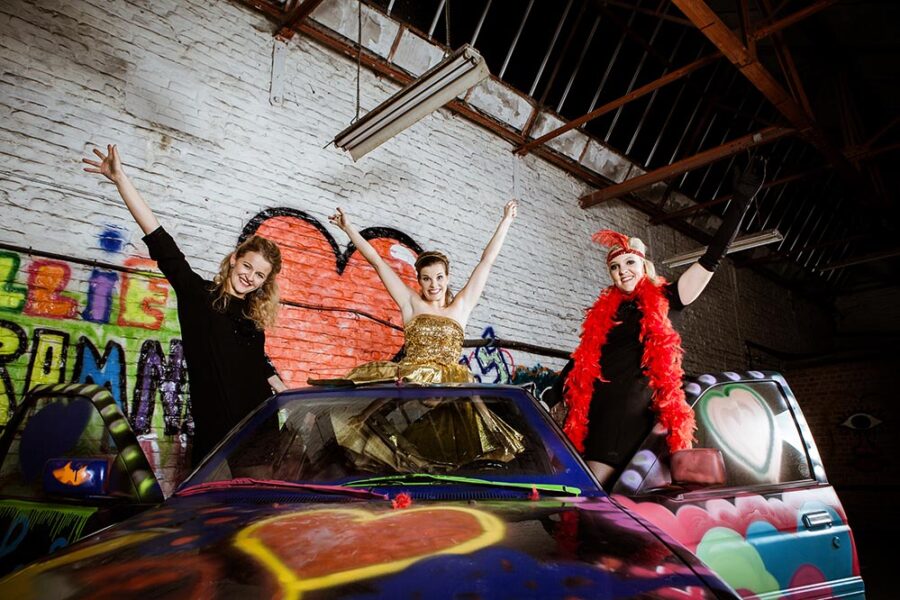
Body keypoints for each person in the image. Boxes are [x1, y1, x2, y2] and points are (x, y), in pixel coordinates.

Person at [549, 158, 765, 486]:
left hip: (629, 413)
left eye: (629, 263)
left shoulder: (667, 299)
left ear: (644, 265)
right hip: (596, 412)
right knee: (595, 497)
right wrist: (550, 394)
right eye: (615, 267)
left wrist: (742, 202)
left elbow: (711, 259)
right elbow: (584, 360)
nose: (622, 271)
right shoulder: (606, 313)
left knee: (590, 492)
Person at [83, 144, 287, 467]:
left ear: (264, 282)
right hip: (216, 438)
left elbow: (257, 366)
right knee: (208, 501)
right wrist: (120, 179)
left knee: (257, 502)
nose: (250, 277)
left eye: (259, 275)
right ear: (234, 260)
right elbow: (161, 242)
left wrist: (289, 393)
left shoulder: (251, 317)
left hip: (260, 434)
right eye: (248, 266)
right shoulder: (199, 296)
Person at [319, 200, 518, 384]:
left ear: (447, 278)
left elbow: (486, 261)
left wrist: (506, 220)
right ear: (420, 281)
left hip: (450, 389)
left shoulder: (461, 307)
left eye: (439, 277)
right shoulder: (411, 303)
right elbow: (377, 262)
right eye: (426, 278)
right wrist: (348, 228)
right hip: (412, 386)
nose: (434, 285)